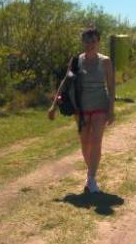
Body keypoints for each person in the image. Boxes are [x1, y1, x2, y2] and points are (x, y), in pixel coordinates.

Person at [48, 27, 115, 193]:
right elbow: (65, 81)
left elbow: (112, 87)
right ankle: (91, 172)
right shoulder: (76, 60)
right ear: (83, 42)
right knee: (85, 142)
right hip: (81, 108)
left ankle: (91, 179)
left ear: (98, 42)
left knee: (96, 141)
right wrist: (54, 105)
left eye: (93, 41)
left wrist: (111, 109)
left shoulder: (105, 61)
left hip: (100, 105)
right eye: (87, 41)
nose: (90, 44)